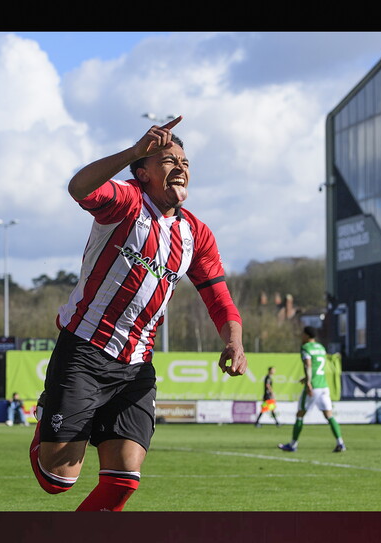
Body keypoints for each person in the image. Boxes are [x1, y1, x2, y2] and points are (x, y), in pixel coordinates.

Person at [29, 116, 248, 512]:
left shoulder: (195, 234)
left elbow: (219, 299)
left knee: (125, 477)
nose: (181, 166)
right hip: (85, 350)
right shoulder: (126, 202)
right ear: (144, 172)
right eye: (169, 160)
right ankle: (50, 414)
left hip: (136, 365)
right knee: (56, 481)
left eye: (185, 161)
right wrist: (132, 150)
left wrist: (234, 340)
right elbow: (79, 187)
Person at [278, 327, 346, 452]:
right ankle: (340, 443)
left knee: (300, 415)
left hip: (313, 386)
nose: (301, 337)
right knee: (329, 416)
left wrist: (308, 381)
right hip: (324, 386)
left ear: (307, 335)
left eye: (302, 334)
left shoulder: (306, 348)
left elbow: (308, 364)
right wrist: (307, 377)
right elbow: (318, 367)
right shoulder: (321, 348)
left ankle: (293, 444)